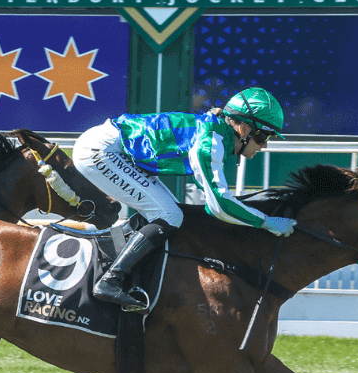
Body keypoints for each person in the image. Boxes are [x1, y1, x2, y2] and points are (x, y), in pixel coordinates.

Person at [71, 87, 295, 310]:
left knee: (168, 213)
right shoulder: (210, 143)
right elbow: (220, 206)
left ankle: (113, 260)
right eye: (262, 136)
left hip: (112, 149)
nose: (264, 145)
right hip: (101, 151)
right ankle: (111, 280)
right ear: (243, 128)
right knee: (170, 214)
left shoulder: (218, 134)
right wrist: (267, 222)